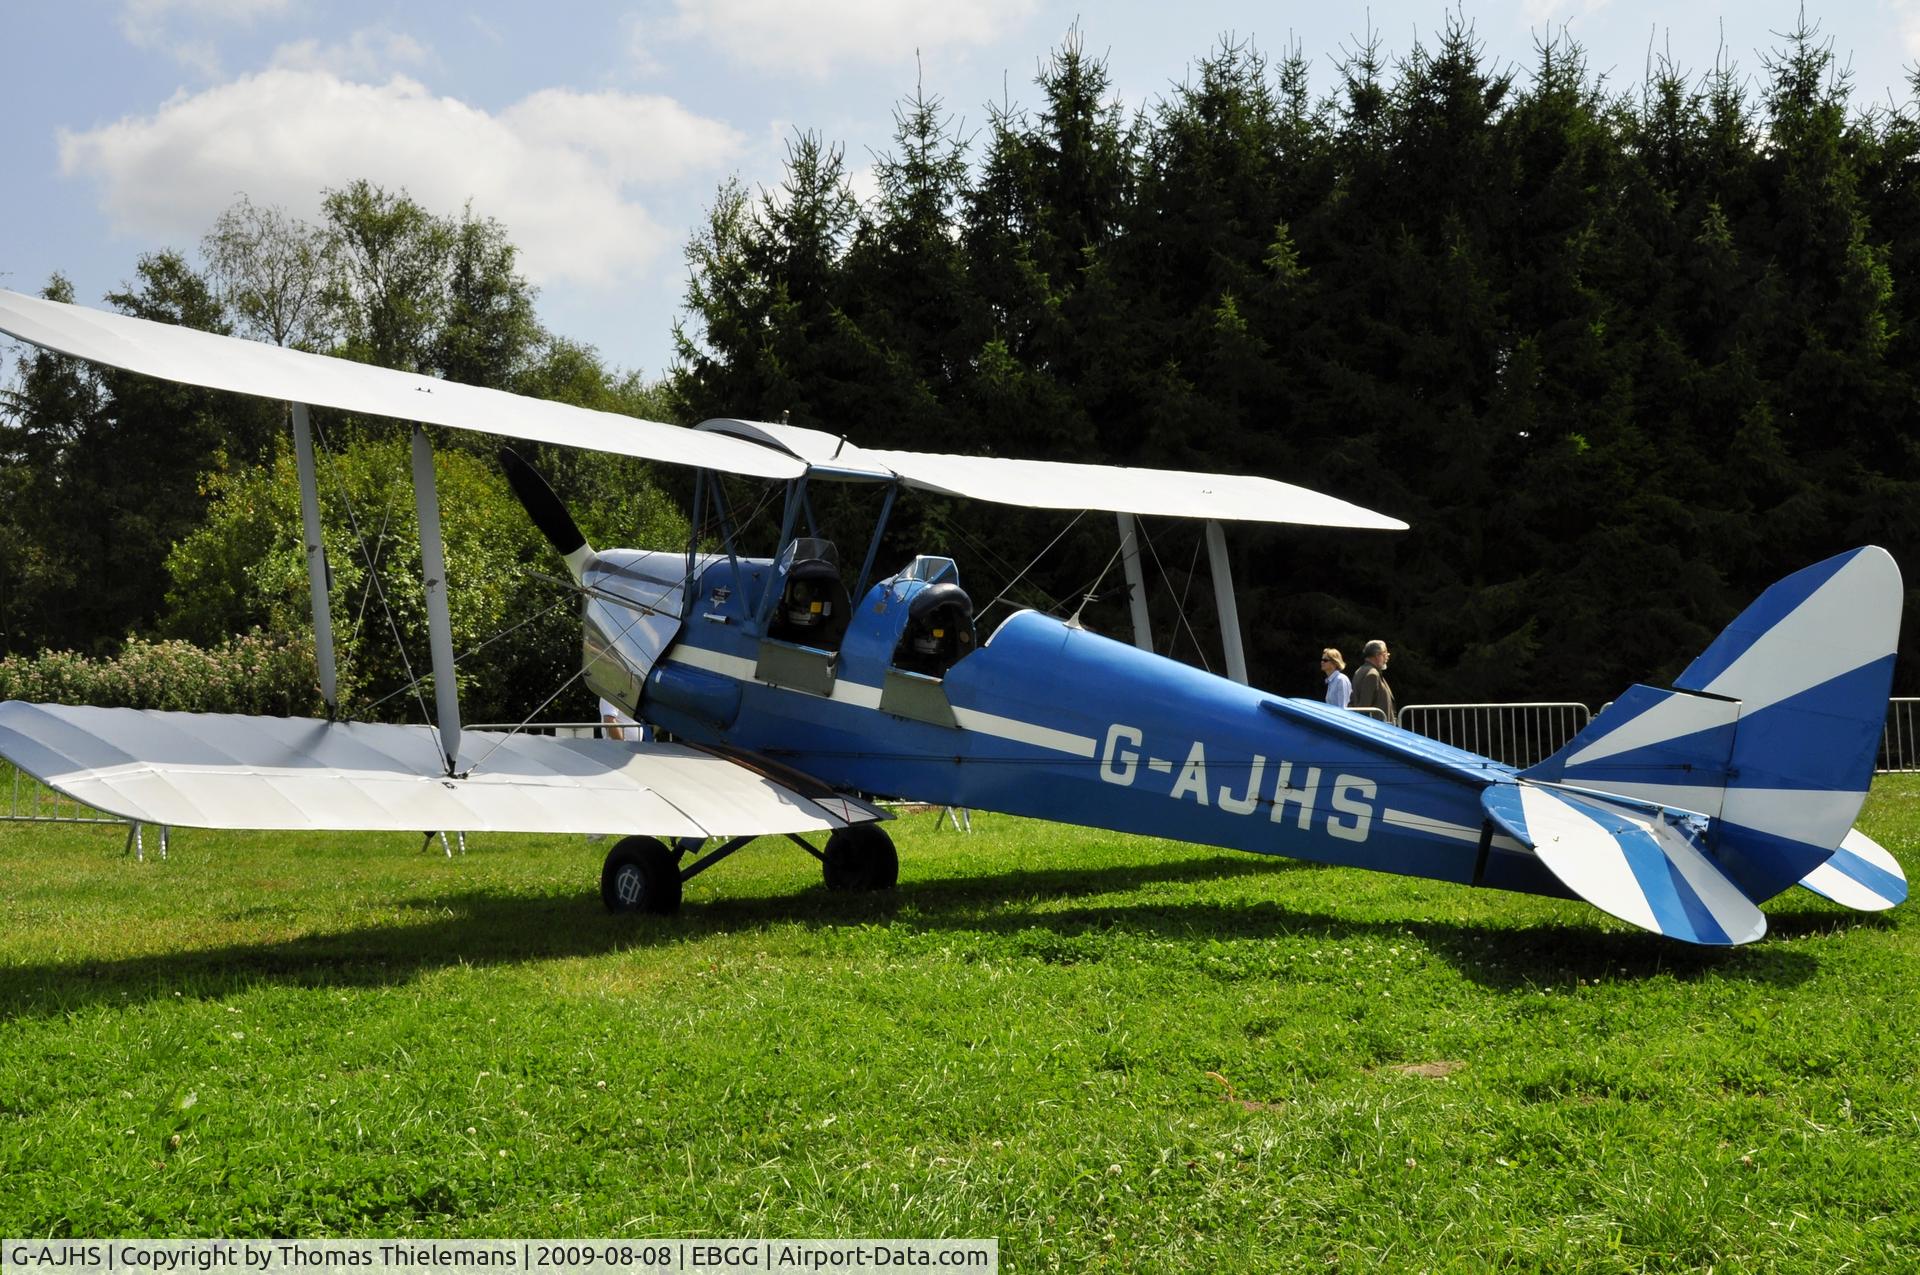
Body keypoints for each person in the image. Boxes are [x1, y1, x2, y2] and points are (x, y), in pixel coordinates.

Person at [1350, 639, 1394, 723]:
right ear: (1377, 655)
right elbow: (1364, 708)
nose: (1387, 657)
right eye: (1385, 653)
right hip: (1377, 728)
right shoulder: (1372, 674)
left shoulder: (1360, 670)